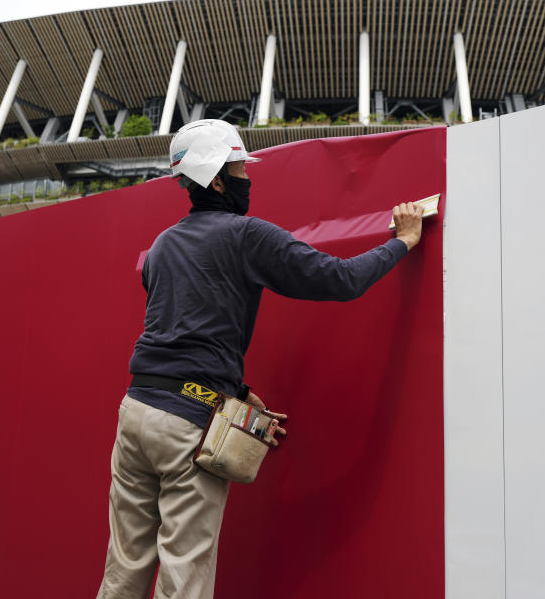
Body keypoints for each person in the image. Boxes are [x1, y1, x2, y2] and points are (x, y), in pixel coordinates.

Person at [96, 119, 425, 599]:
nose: (249, 177)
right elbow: (340, 281)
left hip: (138, 413)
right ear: (219, 178)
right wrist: (404, 241)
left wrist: (238, 393)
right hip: (188, 426)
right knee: (183, 577)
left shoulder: (162, 247)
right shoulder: (246, 236)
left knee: (123, 568)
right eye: (239, 168)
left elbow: (184, 331)